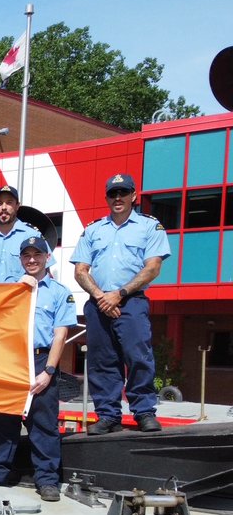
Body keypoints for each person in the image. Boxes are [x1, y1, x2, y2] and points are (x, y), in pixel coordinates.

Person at [71, 173, 171, 434]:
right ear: (106, 198)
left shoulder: (149, 226)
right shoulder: (93, 229)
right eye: (113, 194)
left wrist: (121, 293)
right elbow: (81, 270)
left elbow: (153, 268)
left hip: (132, 303)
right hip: (98, 303)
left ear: (134, 196)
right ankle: (108, 415)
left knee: (138, 357)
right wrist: (102, 297)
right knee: (102, 361)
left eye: (123, 193)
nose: (118, 198)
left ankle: (144, 412)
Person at [0, 235, 76, 500]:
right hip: (11, 360)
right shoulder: (10, 288)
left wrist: (49, 371)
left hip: (42, 360)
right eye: (26, 256)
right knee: (1, 419)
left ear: (47, 257)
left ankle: (47, 480)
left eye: (37, 255)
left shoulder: (59, 292)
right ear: (21, 259)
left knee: (43, 424)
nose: (32, 260)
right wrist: (17, 291)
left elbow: (60, 335)